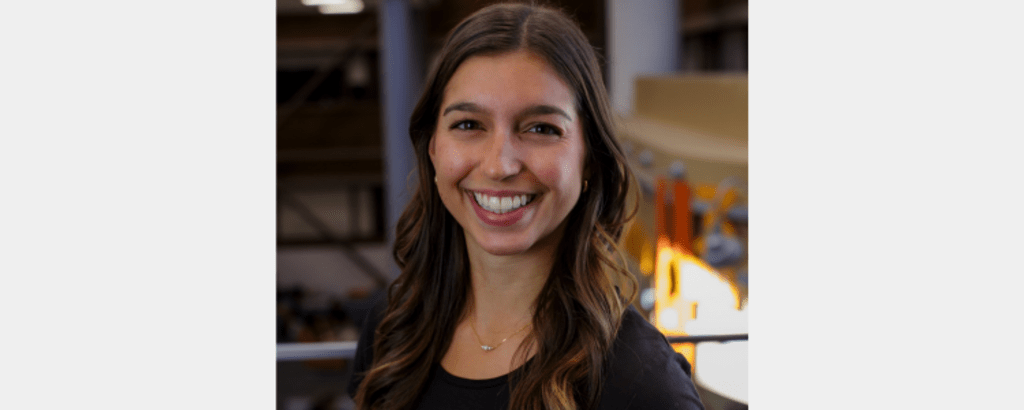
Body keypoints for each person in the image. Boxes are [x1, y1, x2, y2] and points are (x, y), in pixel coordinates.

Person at [347, 3, 704, 409]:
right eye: (468, 125)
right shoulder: (393, 331)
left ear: (589, 156)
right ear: (433, 148)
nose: (500, 165)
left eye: (541, 129)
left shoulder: (642, 383)